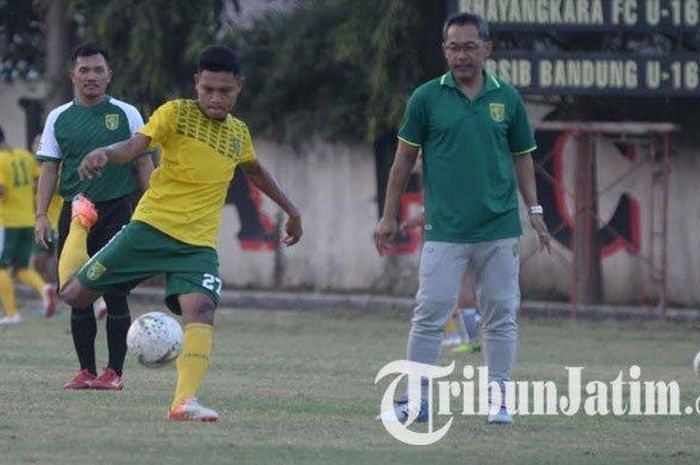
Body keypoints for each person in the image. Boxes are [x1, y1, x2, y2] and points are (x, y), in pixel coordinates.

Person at [61, 45, 302, 421]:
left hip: (197, 245)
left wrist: (291, 209)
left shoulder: (239, 134)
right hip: (149, 228)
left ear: (239, 87)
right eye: (207, 89)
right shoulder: (175, 113)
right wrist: (106, 153)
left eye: (224, 90)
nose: (214, 97)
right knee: (75, 295)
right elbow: (134, 146)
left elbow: (254, 171)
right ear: (196, 84)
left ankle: (183, 401)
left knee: (201, 309)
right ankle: (81, 222)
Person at [374, 13, 550, 425]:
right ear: (444, 51)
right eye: (453, 47)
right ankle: (417, 401)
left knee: (501, 315)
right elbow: (403, 161)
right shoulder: (426, 98)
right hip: (445, 229)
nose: (461, 55)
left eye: (470, 46)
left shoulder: (507, 99)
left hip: (499, 226)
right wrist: (388, 216)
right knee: (429, 313)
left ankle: (500, 401)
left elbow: (523, 158)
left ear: (487, 49)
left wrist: (535, 212)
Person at [35, 44, 153, 390]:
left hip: (117, 212)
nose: (91, 76)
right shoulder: (59, 117)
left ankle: (113, 373)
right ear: (73, 75)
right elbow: (49, 168)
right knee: (75, 293)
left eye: (98, 70)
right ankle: (86, 371)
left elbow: (144, 163)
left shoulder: (128, 114)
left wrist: (153, 210)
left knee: (115, 293)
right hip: (74, 217)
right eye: (84, 70)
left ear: (108, 76)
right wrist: (41, 214)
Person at [0, 126, 58, 325]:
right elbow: (38, 181)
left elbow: (1, 190)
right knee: (20, 268)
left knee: (1, 267)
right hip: (28, 219)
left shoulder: (0, 160)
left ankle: (11, 313)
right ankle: (45, 289)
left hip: (8, 222)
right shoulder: (24, 155)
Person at [401, 210, 481, 353]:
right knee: (462, 292)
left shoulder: (440, 197)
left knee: (444, 295)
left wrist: (404, 225)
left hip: (447, 248)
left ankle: (458, 336)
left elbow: (423, 215)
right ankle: (466, 336)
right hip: (465, 242)